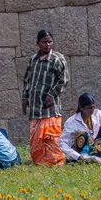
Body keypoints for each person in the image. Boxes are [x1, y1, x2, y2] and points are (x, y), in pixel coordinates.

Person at [22, 30, 70, 166]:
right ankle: (39, 162)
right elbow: (27, 80)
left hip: (50, 108)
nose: (48, 44)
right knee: (36, 137)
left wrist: (51, 95)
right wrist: (25, 98)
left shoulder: (57, 59)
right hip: (35, 108)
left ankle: (55, 162)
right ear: (38, 44)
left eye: (50, 41)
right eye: (44, 42)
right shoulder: (33, 60)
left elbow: (64, 80)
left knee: (51, 137)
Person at [59, 93, 101, 165]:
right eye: (89, 108)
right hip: (80, 154)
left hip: (95, 147)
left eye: (93, 107)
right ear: (81, 108)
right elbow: (61, 143)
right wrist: (77, 156)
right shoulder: (72, 122)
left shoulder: (98, 114)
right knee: (83, 135)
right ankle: (85, 159)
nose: (92, 110)